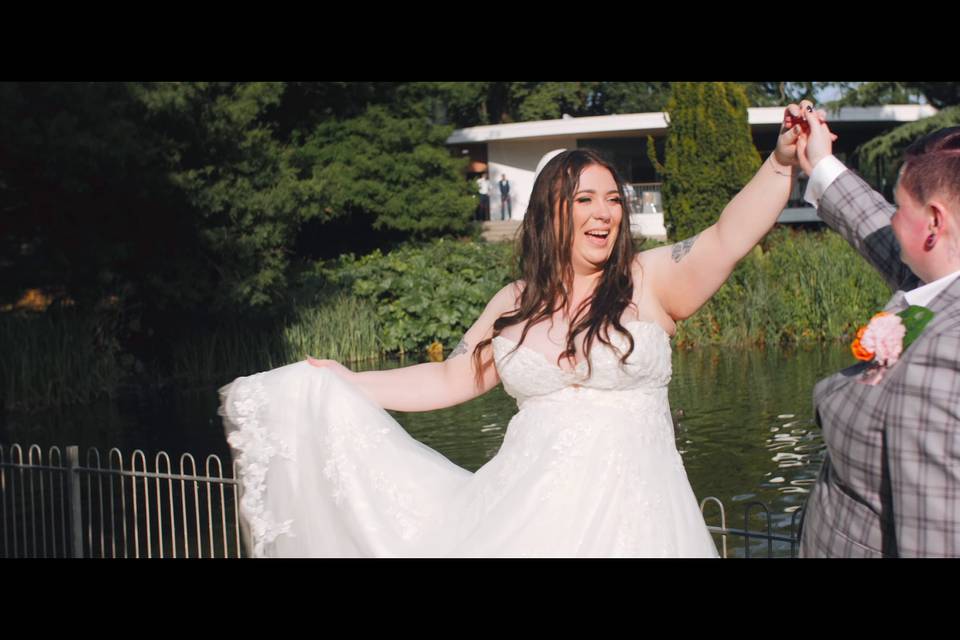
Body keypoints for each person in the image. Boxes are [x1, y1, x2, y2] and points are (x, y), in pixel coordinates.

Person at [219, 107, 806, 557]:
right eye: (585, 200)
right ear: (553, 211)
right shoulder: (514, 304)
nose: (604, 213)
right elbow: (450, 377)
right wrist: (350, 380)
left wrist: (780, 164)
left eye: (613, 201)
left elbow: (730, 236)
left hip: (642, 524)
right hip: (526, 521)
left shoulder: (648, 281)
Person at [793, 105, 960, 557]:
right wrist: (820, 160)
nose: (890, 217)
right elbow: (871, 221)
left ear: (934, 222)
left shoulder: (945, 359)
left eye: (899, 207)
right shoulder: (936, 282)